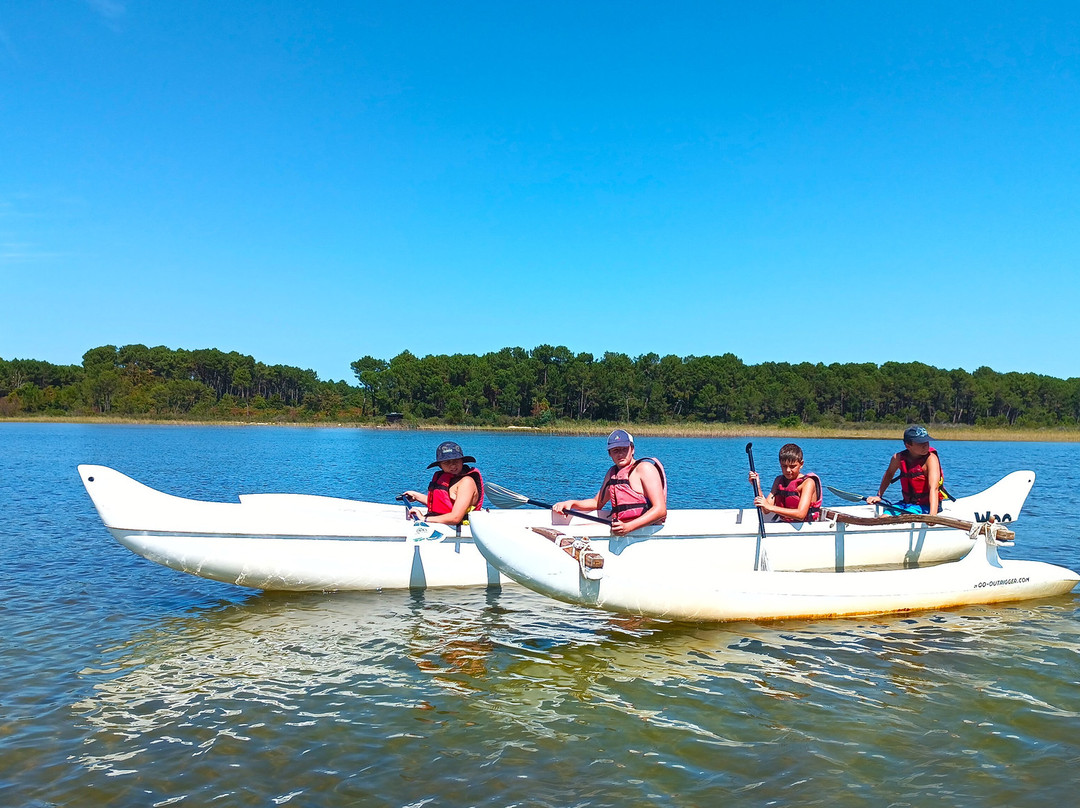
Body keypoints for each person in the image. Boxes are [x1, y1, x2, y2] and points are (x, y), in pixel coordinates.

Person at [552, 429, 667, 536]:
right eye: (616, 450)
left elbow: (660, 510)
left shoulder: (645, 469)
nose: (620, 454)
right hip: (622, 528)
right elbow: (597, 503)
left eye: (624, 449)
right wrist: (571, 503)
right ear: (609, 454)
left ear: (632, 449)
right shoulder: (612, 473)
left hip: (644, 531)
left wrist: (628, 527)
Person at [866, 425, 947, 516]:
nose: (925, 445)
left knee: (903, 517)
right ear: (908, 445)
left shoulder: (931, 459)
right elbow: (889, 474)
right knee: (884, 517)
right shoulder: (898, 458)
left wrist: (933, 515)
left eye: (926, 441)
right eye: (920, 443)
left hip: (928, 505)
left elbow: (934, 488)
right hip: (906, 504)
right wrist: (879, 496)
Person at [401, 441, 485, 526]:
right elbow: (441, 503)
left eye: (456, 461)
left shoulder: (467, 482)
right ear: (440, 466)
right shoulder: (446, 480)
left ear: (462, 462)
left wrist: (424, 518)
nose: (452, 466)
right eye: (447, 462)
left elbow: (455, 518)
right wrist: (416, 496)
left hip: (461, 527)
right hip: (444, 524)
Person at [748, 443, 822, 522]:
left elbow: (801, 514)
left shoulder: (807, 483)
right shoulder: (779, 480)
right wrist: (757, 486)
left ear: (801, 464)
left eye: (793, 466)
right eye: (784, 466)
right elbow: (766, 510)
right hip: (785, 525)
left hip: (804, 527)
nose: (788, 470)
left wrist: (770, 507)